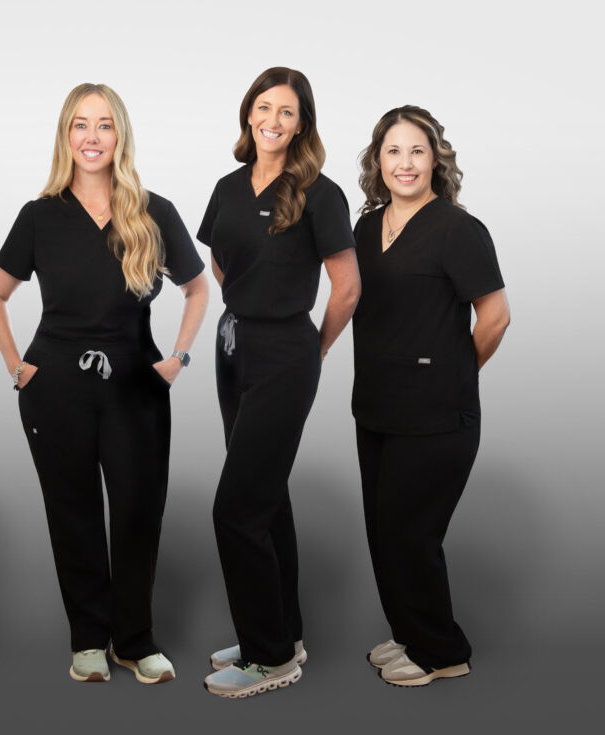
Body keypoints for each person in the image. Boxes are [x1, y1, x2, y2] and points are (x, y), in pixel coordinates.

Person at [0, 82, 209, 685]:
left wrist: (179, 356)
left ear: (120, 135)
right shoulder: (40, 214)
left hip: (136, 382)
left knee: (138, 511)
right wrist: (15, 365)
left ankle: (134, 641)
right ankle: (88, 638)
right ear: (65, 136)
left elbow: (197, 288)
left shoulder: (153, 210)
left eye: (104, 125)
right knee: (73, 512)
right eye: (80, 125)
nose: (92, 137)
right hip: (54, 383)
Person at [198, 67, 361, 698]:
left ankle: (269, 660)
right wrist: (245, 305)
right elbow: (219, 256)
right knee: (266, 496)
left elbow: (346, 289)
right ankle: (282, 631)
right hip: (232, 347)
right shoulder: (227, 186)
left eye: (286, 111)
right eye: (263, 107)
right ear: (248, 114)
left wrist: (309, 349)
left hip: (287, 352)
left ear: (302, 123)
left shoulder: (321, 193)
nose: (273, 120)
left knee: (235, 508)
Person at [352, 105, 509, 687]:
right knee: (382, 529)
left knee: (411, 534)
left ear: (436, 159)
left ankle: (442, 652)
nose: (405, 163)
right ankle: (411, 633)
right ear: (378, 161)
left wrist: (455, 373)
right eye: (393, 151)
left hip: (438, 413)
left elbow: (495, 315)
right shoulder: (367, 228)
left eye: (417, 150)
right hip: (377, 406)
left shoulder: (457, 229)